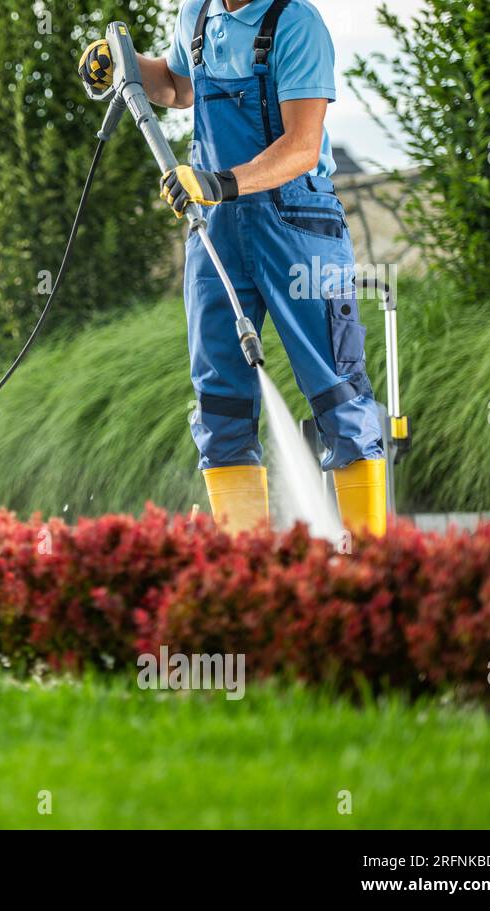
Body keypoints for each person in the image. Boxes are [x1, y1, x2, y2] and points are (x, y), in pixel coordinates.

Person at [79, 0, 387, 536]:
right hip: (216, 225)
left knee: (338, 391)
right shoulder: (196, 14)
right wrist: (123, 61)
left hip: (297, 224)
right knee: (220, 403)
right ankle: (241, 574)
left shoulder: (296, 23)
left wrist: (220, 183)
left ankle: (372, 561)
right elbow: (177, 87)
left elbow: (301, 146)